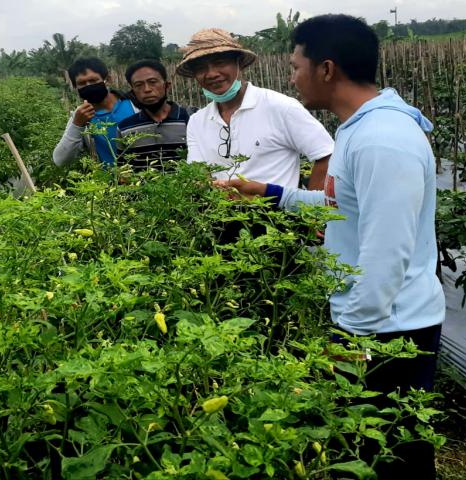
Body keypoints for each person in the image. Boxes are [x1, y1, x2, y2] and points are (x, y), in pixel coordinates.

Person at [217, 14, 445, 478]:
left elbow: (387, 253)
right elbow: (341, 205)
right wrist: (268, 192)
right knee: (366, 446)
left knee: (394, 456)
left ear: (326, 68)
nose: (290, 76)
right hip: (376, 319)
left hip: (391, 329)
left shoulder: (384, 140)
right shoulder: (358, 128)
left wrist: (351, 338)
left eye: (294, 65)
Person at [176, 28, 333, 190]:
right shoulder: (197, 121)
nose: (211, 74)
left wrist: (311, 206)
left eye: (219, 63)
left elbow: (327, 155)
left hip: (278, 213)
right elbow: (198, 174)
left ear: (239, 63)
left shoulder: (280, 107)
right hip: (218, 213)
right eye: (201, 68)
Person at [53, 57, 139, 168]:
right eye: (82, 83)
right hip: (113, 183)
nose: (88, 85)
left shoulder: (135, 104)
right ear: (75, 87)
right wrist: (77, 125)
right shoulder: (81, 117)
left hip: (148, 176)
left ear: (108, 79)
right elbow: (60, 160)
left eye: (93, 80)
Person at [116, 59, 195, 171]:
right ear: (133, 91)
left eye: (153, 82)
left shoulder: (191, 119)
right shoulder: (125, 128)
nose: (147, 89)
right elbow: (123, 170)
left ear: (167, 86)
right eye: (139, 85)